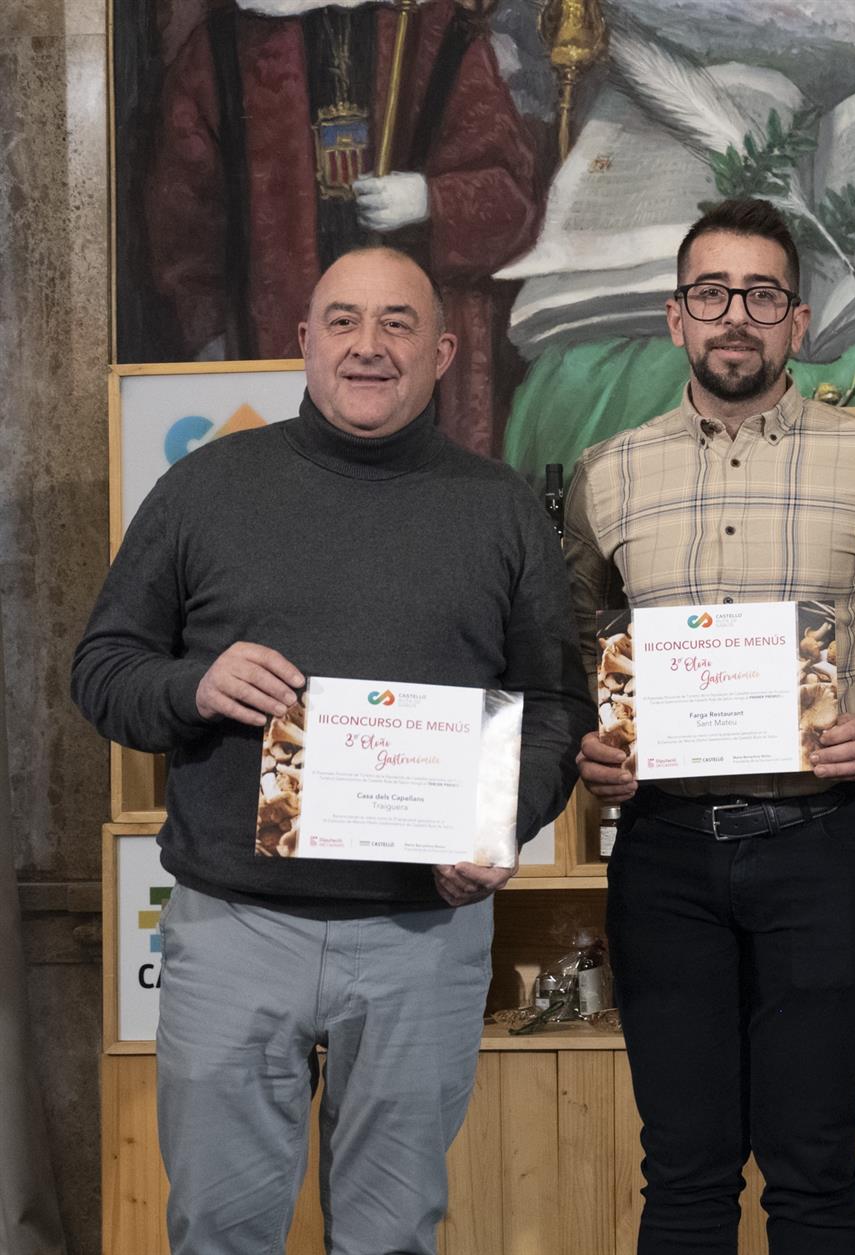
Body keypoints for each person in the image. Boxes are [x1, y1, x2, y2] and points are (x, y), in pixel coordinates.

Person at [71, 246, 591, 1253]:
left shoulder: (502, 508)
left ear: (443, 351)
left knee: (394, 1236)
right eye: (344, 320)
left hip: (421, 940)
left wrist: (497, 822)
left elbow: (556, 704)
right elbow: (103, 670)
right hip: (234, 928)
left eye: (398, 323)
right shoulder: (205, 487)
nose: (369, 344)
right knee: (218, 1229)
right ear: (304, 342)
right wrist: (195, 684)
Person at [565, 198, 855, 1252]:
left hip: (822, 847)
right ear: (675, 317)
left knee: (815, 1168)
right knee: (685, 1174)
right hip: (661, 856)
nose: (734, 315)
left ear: (799, 317)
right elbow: (578, 647)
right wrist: (596, 739)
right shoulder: (608, 473)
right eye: (711, 293)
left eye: (761, 295)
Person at [142, 0, 539, 454]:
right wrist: (211, 340)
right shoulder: (220, 49)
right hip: (271, 355)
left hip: (422, 386)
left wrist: (431, 200)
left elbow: (513, 204)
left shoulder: (441, 33)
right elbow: (184, 217)